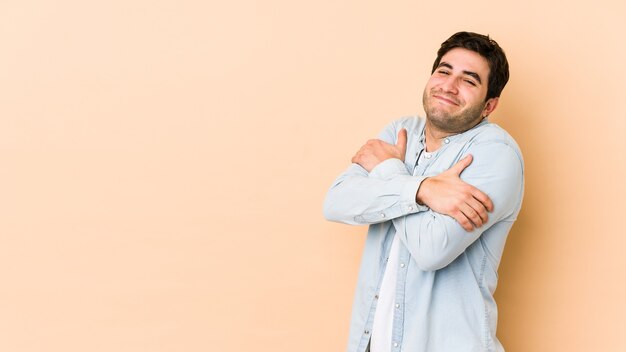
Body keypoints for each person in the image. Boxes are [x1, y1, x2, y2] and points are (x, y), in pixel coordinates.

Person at [323, 32, 524, 352]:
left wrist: (389, 172)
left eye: (469, 80)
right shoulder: (401, 131)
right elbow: (336, 202)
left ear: (489, 105)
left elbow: (433, 249)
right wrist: (422, 189)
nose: (449, 85)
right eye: (444, 71)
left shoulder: (496, 153)